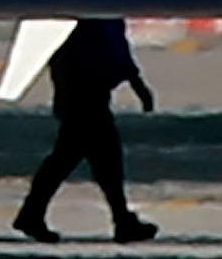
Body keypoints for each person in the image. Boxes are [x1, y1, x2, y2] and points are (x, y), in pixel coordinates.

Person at [13, 18, 158, 243]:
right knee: (94, 159)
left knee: (83, 159)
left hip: (79, 91)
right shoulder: (94, 14)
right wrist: (135, 82)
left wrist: (134, 80)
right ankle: (121, 220)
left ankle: (33, 213)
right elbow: (111, 43)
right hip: (85, 92)